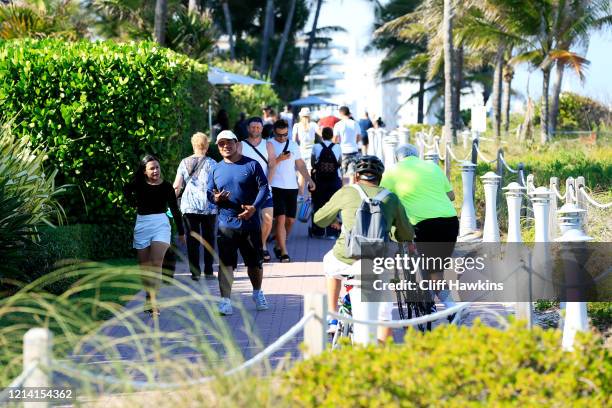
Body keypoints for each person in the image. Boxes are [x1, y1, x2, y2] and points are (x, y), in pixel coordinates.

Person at [313, 155, 414, 341]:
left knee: (329, 263)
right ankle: (380, 360)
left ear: (357, 176)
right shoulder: (391, 198)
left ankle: (333, 315)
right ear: (380, 177)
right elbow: (406, 234)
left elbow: (319, 219)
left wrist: (335, 220)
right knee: (384, 317)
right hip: (378, 263)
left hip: (346, 257)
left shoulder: (347, 191)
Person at [381, 144, 458, 309]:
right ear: (417, 155)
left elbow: (382, 200)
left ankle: (443, 305)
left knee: (425, 265)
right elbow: (451, 196)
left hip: (420, 224)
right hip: (449, 221)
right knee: (436, 270)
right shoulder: (433, 167)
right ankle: (446, 305)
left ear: (397, 158)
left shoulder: (392, 171)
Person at [207, 130, 270, 316]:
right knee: (225, 263)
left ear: (236, 143)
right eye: (221, 144)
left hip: (250, 222)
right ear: (218, 147)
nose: (226, 146)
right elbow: (209, 193)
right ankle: (225, 301)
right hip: (226, 223)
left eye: (229, 143)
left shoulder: (252, 164)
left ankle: (257, 292)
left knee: (255, 263)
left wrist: (254, 207)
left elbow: (264, 187)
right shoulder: (216, 168)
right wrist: (216, 198)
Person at [124, 155, 186, 316]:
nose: (156, 170)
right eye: (151, 168)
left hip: (161, 225)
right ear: (144, 171)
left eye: (157, 167)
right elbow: (126, 190)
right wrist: (133, 203)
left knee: (156, 264)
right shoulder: (138, 185)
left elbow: (174, 210)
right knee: (145, 267)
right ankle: (148, 297)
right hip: (142, 225)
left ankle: (154, 301)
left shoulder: (166, 187)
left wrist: (181, 232)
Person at [268, 119, 316, 263]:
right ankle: (284, 252)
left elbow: (300, 165)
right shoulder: (269, 144)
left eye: (285, 135)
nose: (282, 138)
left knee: (291, 220)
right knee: (281, 218)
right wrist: (279, 158)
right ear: (274, 132)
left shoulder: (294, 145)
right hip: (275, 186)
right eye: (279, 135)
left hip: (291, 187)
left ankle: (278, 244)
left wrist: (309, 179)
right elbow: (269, 165)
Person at [173, 132, 217, 281]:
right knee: (209, 238)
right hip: (208, 206)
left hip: (189, 206)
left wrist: (172, 202)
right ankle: (209, 271)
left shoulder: (184, 162)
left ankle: (195, 273)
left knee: (192, 239)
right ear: (207, 146)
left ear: (193, 145)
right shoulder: (213, 163)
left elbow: (176, 186)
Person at [240, 116, 277, 262]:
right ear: (248, 128)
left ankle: (261, 245)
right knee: (248, 221)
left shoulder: (268, 145)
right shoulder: (240, 145)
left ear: (262, 129)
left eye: (258, 127)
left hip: (264, 188)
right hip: (247, 190)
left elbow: (272, 165)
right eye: (253, 127)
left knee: (268, 220)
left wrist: (267, 183)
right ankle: (254, 247)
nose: (255, 129)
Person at [309, 127, 342, 238]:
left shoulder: (316, 146)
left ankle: (318, 231)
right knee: (333, 205)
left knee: (318, 205)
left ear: (322, 136)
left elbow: (313, 163)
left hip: (320, 181)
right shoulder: (337, 147)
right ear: (332, 136)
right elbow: (340, 162)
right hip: (334, 180)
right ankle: (332, 232)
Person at [292, 107, 318, 196]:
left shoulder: (297, 126)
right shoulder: (314, 125)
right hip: (312, 151)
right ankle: (310, 196)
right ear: (309, 116)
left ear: (300, 116)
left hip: (301, 151)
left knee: (301, 174)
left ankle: (301, 195)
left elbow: (293, 141)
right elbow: (322, 134)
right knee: (311, 174)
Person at [333, 106, 362, 178]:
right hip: (354, 150)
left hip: (342, 151)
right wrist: (354, 143)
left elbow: (334, 139)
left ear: (341, 113)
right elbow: (359, 137)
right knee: (352, 175)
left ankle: (342, 188)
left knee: (341, 175)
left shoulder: (338, 124)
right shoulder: (355, 123)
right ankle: (351, 188)